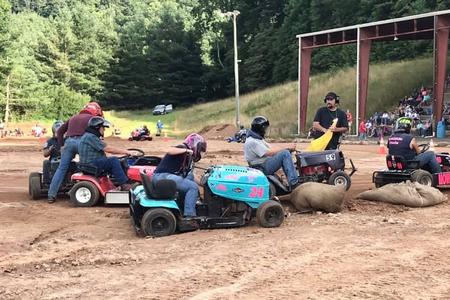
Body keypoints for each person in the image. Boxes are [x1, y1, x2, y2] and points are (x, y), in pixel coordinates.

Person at [47, 102, 103, 203]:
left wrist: (61, 145)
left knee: (61, 168)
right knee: (87, 164)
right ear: (96, 111)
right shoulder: (93, 119)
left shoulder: (73, 117)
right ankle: (87, 189)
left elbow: (59, 131)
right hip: (84, 142)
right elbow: (98, 135)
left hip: (69, 142)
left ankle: (51, 195)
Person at [152, 133, 207, 217]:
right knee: (193, 187)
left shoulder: (187, 156)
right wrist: (186, 150)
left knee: (190, 177)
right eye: (200, 149)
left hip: (163, 177)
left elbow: (190, 174)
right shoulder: (183, 148)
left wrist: (204, 184)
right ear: (194, 145)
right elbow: (170, 150)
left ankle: (189, 203)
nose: (200, 152)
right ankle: (190, 215)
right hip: (162, 177)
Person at [78, 117, 136, 190]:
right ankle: (124, 185)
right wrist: (127, 152)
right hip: (90, 164)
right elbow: (108, 149)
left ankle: (124, 182)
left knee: (120, 161)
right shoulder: (90, 137)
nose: (104, 129)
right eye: (103, 127)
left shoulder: (90, 136)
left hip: (92, 162)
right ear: (97, 127)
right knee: (113, 161)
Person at [244, 116, 299, 190]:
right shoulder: (252, 141)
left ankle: (294, 179)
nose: (266, 130)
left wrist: (287, 146)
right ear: (261, 128)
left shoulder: (257, 138)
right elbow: (269, 153)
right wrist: (287, 148)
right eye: (265, 128)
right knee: (285, 154)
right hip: (261, 167)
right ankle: (294, 183)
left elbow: (272, 147)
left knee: (285, 152)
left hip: (263, 164)